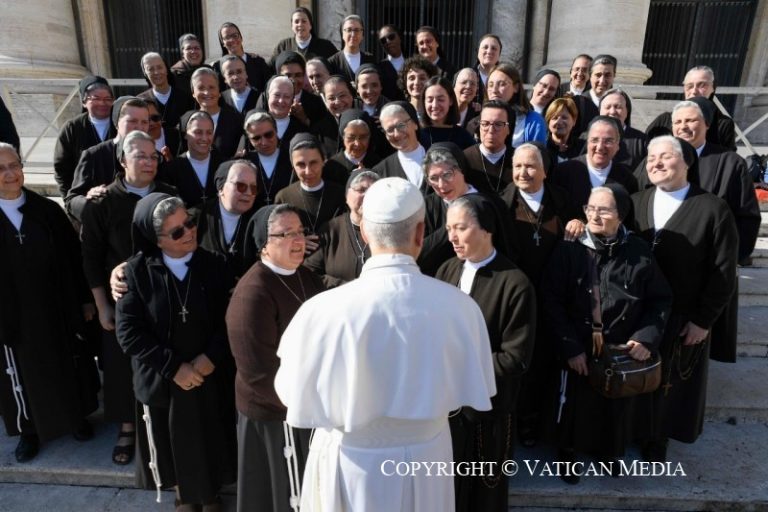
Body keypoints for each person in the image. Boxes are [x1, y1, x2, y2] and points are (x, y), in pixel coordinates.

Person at [274, 177, 496, 511]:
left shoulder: (319, 311)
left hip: (350, 464)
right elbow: (475, 387)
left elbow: (290, 393)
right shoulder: (460, 307)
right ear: (420, 233)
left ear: (364, 232)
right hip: (426, 458)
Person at [541, 184, 672, 483]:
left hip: (620, 351)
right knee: (575, 405)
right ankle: (568, 452)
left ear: (621, 215)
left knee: (614, 406)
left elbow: (660, 300)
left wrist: (645, 338)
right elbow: (550, 300)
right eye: (590, 208)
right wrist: (571, 348)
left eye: (603, 209)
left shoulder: (639, 250)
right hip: (579, 346)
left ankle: (608, 451)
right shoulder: (570, 248)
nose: (594, 215)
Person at [116, 193, 235, 510]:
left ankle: (209, 494)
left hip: (207, 373)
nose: (189, 232)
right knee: (172, 441)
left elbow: (229, 320)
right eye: (177, 231)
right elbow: (128, 333)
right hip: (163, 378)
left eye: (190, 223)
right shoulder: (136, 273)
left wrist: (210, 357)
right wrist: (173, 367)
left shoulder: (215, 265)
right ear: (156, 239)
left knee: (208, 435)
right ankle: (183, 494)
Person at [631, 136, 738, 461]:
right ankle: (630, 430)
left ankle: (657, 437)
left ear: (686, 162)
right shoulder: (636, 202)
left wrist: (703, 320)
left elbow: (723, 272)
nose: (655, 163)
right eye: (651, 157)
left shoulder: (713, 208)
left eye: (665, 156)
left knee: (671, 384)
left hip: (683, 317)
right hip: (638, 314)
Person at [80, 131, 177, 465]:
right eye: (140, 156)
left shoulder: (169, 195)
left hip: (164, 295)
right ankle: (127, 425)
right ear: (122, 160)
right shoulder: (102, 202)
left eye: (153, 156)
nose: (149, 162)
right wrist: (102, 305)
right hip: (121, 298)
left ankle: (165, 422)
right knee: (121, 366)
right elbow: (91, 257)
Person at [436, 193, 536, 510]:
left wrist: (459, 367)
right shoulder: (446, 271)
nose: (452, 237)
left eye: (461, 227)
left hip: (489, 411)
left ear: (486, 229)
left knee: (484, 495)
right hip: (447, 409)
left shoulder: (515, 283)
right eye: (449, 228)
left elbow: (515, 358)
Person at [0, 143, 99, 463]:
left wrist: (85, 300)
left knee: (66, 362)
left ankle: (75, 419)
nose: (10, 174)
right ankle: (28, 431)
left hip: (55, 306)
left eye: (14, 165)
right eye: (1, 169)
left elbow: (73, 258)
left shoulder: (47, 211)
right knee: (20, 373)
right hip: (11, 314)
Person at [226, 203, 324, 512]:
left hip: (307, 405)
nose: (298, 240)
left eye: (300, 232)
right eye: (286, 234)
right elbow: (257, 373)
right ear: (264, 244)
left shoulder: (305, 276)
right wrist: (303, 405)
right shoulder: (253, 294)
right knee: (283, 495)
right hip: (275, 412)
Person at [500, 143, 579, 447]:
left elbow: (579, 229)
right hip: (517, 299)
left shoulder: (563, 200)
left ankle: (538, 422)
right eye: (518, 166)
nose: (523, 172)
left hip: (554, 298)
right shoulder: (501, 204)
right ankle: (516, 420)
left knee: (546, 362)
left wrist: (579, 222)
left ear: (545, 170)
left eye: (531, 166)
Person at [66, 96, 150, 223]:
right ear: (116, 122)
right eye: (132, 121)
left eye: (144, 122)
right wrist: (90, 201)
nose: (139, 127)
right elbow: (72, 201)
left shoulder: (155, 156)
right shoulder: (94, 156)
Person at [550, 116, 638, 216]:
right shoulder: (563, 172)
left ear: (617, 145)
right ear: (587, 142)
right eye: (595, 140)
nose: (600, 147)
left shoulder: (626, 179)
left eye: (608, 141)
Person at [305, 169, 379, 287]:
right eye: (361, 190)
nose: (367, 196)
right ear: (346, 196)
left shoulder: (391, 229)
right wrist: (344, 288)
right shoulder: (330, 230)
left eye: (374, 190)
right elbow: (310, 272)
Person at [192, 159, 263, 279]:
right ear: (221, 189)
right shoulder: (195, 218)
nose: (248, 193)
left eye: (253, 188)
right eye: (241, 186)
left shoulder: (259, 220)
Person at [645, 65, 736, 151]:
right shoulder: (664, 120)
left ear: (713, 88)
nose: (694, 91)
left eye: (702, 85)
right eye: (690, 86)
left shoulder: (723, 123)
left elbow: (728, 157)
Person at [54, 76, 116, 198]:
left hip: (118, 195)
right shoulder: (72, 128)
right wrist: (70, 199)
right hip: (85, 197)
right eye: (96, 98)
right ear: (84, 102)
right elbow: (62, 168)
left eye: (107, 99)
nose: (102, 103)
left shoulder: (121, 123)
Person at [274, 134, 345, 238]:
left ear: (324, 160)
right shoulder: (283, 197)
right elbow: (279, 235)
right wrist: (298, 240)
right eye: (301, 165)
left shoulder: (340, 194)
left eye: (313, 163)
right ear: (293, 166)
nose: (308, 171)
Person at [477, 63, 546, 147]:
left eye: (502, 84)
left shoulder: (534, 121)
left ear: (516, 87)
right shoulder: (478, 116)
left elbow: (537, 153)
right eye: (490, 85)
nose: (494, 90)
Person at [184, 67, 243, 160]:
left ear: (219, 91)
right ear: (193, 93)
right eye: (201, 88)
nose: (207, 92)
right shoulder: (185, 120)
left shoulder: (236, 121)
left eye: (211, 87)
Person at [165, 110, 222, 207]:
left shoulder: (223, 165)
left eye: (209, 132)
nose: (204, 138)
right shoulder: (172, 169)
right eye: (198, 132)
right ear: (185, 134)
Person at [373, 102, 429, 194]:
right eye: (390, 130)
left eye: (401, 125)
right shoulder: (381, 171)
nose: (397, 134)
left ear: (415, 124)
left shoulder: (438, 158)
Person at [242, 111, 295, 205]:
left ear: (276, 131)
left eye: (268, 135)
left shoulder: (291, 158)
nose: (264, 142)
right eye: (256, 138)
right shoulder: (244, 163)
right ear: (249, 140)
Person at [463, 100, 515, 195]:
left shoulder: (518, 160)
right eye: (485, 124)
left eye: (498, 124)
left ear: (508, 129)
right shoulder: (464, 159)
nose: (491, 130)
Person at [138, 52, 194, 134]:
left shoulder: (186, 98)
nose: (156, 72)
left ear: (166, 69)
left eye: (159, 67)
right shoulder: (140, 102)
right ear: (145, 74)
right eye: (151, 69)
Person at [324, 109, 381, 185]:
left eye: (363, 137)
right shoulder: (331, 166)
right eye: (351, 137)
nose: (357, 144)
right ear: (343, 137)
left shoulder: (379, 164)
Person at [419, 76, 477, 149]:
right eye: (430, 100)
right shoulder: (416, 136)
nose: (435, 105)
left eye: (440, 99)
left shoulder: (463, 137)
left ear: (451, 101)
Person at [213, 21, 271, 92]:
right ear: (223, 43)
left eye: (235, 36)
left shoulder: (258, 62)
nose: (232, 40)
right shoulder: (218, 67)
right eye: (227, 37)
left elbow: (268, 88)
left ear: (241, 37)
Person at [599, 88, 647, 169]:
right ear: (600, 111)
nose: (612, 112)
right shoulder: (586, 138)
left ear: (627, 111)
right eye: (607, 107)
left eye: (618, 107)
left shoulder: (642, 141)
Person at [271, 7, 338, 65]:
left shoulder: (326, 46)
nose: (300, 24)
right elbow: (271, 67)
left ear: (310, 25)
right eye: (296, 21)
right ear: (292, 26)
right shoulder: (283, 46)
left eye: (304, 21)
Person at [573, 54, 617, 135]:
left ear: (614, 76)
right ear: (590, 76)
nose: (602, 81)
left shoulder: (620, 104)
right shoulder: (577, 103)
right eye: (598, 75)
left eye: (607, 75)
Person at [328, 15, 376, 84]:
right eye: (349, 30)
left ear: (362, 35)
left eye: (357, 30)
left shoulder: (370, 60)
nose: (353, 34)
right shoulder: (332, 62)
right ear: (342, 34)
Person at [544, 97, 584, 163]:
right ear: (548, 122)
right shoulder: (542, 148)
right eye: (555, 118)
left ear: (574, 121)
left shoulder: (582, 148)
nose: (559, 122)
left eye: (564, 118)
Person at [400, 56, 439, 122]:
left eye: (422, 78)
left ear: (431, 81)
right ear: (405, 82)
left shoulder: (437, 112)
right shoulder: (400, 112)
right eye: (412, 78)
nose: (416, 83)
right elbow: (399, 127)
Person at [170, 34, 208, 98]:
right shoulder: (173, 74)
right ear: (182, 53)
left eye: (197, 48)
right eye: (189, 48)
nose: (193, 51)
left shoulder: (209, 71)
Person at [377, 24, 406, 101]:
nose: (388, 42)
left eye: (391, 37)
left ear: (400, 37)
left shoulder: (412, 63)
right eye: (383, 40)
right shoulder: (379, 68)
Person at [473, 35, 502, 106]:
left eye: (494, 48)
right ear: (478, 52)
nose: (489, 51)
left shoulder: (506, 79)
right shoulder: (467, 76)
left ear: (499, 55)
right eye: (485, 47)